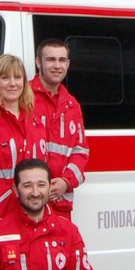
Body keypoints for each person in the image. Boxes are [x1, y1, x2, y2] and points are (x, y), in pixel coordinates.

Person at [0, 54, 45, 228]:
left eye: (18, 77)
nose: (12, 83)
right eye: (5, 78)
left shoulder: (35, 122)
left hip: (30, 208)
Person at [32, 38, 88, 218]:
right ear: (38, 62)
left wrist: (66, 182)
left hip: (60, 199)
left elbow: (81, 151)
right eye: (50, 60)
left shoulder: (72, 105)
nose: (57, 65)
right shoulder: (23, 97)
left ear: (68, 63)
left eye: (62, 60)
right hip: (29, 198)